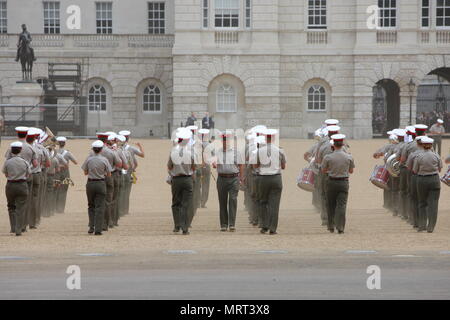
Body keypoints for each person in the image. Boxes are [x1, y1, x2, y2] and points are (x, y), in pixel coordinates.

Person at [254, 129, 286, 235]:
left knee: (263, 202)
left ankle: (264, 226)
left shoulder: (260, 150)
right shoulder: (280, 150)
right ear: (273, 138)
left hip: (263, 178)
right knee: (274, 205)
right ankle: (273, 228)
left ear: (265, 139)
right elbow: (283, 166)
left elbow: (255, 166)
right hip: (276, 178)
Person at [321, 134, 355, 234]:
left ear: (333, 145)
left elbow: (323, 170)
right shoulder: (349, 157)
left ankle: (331, 225)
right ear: (342, 144)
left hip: (331, 181)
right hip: (343, 182)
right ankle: (340, 227)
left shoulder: (328, 157)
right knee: (342, 205)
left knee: (330, 204)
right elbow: (351, 171)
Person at [212, 131, 244, 232]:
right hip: (221, 178)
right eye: (224, 140)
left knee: (233, 200)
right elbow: (214, 163)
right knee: (222, 201)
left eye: (227, 140)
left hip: (234, 178)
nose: (225, 142)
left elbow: (241, 165)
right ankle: (224, 224)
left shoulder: (236, 152)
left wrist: (241, 178)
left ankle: (232, 224)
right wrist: (214, 164)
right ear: (222, 141)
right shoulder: (217, 152)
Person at [168, 128, 196, 235]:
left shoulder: (173, 151)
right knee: (186, 204)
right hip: (187, 178)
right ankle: (185, 228)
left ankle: (177, 225)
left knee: (176, 203)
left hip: (176, 179)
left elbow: (169, 166)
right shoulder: (191, 152)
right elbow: (194, 167)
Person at [82, 140, 112, 236]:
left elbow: (85, 172)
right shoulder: (104, 160)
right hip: (101, 183)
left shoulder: (89, 159)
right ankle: (98, 229)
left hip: (90, 183)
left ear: (93, 149)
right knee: (100, 206)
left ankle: (91, 227)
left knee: (91, 206)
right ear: (101, 149)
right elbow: (109, 174)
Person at [413, 137, 442, 233]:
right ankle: (431, 227)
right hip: (434, 179)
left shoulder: (419, 156)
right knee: (433, 204)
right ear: (431, 145)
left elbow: (415, 170)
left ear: (422, 145)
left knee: (422, 202)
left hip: (422, 179)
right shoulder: (436, 155)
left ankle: (422, 225)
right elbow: (440, 168)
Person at [2, 142, 31, 236]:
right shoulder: (25, 162)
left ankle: (13, 228)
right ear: (20, 150)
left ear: (11, 150)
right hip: (22, 185)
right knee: (21, 208)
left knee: (11, 206)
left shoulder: (7, 162)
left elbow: (5, 174)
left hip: (10, 185)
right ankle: (19, 229)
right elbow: (28, 174)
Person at [315, 124, 341, 226]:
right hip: (338, 173)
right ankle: (336, 218)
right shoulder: (342, 143)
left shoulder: (321, 142)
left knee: (324, 195)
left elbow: (317, 159)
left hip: (324, 173)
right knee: (338, 197)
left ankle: (325, 218)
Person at [118, 130, 145, 215]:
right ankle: (125, 210)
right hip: (128, 171)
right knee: (126, 192)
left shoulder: (116, 148)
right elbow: (142, 155)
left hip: (119, 171)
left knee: (119, 192)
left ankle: (118, 210)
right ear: (128, 138)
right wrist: (140, 146)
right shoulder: (131, 148)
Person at [55, 137, 78, 214]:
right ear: (64, 143)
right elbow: (75, 162)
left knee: (56, 191)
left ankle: (54, 208)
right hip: (65, 173)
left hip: (56, 173)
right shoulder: (67, 153)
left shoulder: (54, 152)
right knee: (63, 191)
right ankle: (61, 209)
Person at [198, 129, 211, 208]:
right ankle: (203, 202)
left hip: (198, 166)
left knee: (197, 185)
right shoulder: (209, 144)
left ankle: (197, 201)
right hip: (206, 166)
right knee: (205, 185)